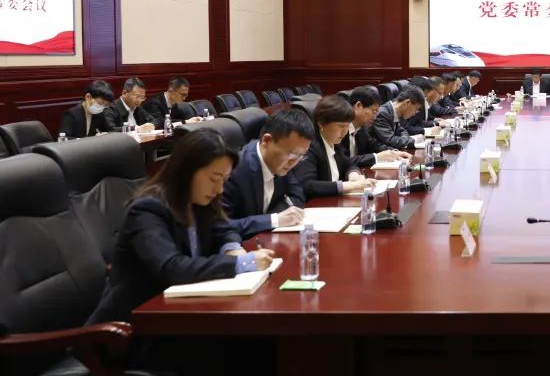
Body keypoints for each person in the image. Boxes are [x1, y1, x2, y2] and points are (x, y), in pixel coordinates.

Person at [89, 129, 275, 324]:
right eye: (214, 179)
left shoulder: (200, 200)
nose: (219, 189)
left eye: (224, 180)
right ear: (187, 171)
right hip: (134, 325)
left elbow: (225, 229)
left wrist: (232, 248)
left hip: (179, 311)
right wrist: (241, 263)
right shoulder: (148, 209)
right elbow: (172, 268)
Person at [221, 109, 311, 239]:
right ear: (267, 140)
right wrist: (273, 220)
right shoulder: (233, 171)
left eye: (300, 156)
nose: (294, 162)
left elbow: (297, 196)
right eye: (292, 155)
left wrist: (278, 217)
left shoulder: (283, 162)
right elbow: (221, 227)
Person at [292, 96, 381, 200]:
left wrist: (353, 175)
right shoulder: (309, 147)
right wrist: (351, 186)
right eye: (341, 126)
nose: (345, 131)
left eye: (347, 126)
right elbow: (307, 185)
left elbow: (348, 163)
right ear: (321, 124)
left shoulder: (334, 142)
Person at [338, 86, 412, 170]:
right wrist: (376, 157)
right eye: (374, 111)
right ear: (358, 106)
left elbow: (374, 145)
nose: (375, 117)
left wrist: (394, 153)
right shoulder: (340, 129)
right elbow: (343, 161)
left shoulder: (361, 128)